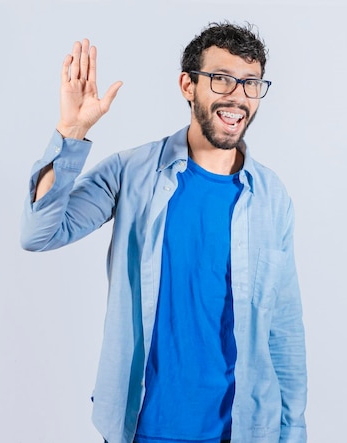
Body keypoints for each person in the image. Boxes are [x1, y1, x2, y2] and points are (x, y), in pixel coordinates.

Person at [21, 22, 307, 443]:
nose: (238, 96)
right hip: (142, 427)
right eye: (222, 79)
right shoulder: (131, 172)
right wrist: (72, 133)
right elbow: (40, 233)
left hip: (243, 429)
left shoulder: (271, 196)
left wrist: (292, 431)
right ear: (188, 85)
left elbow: (284, 330)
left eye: (250, 83)